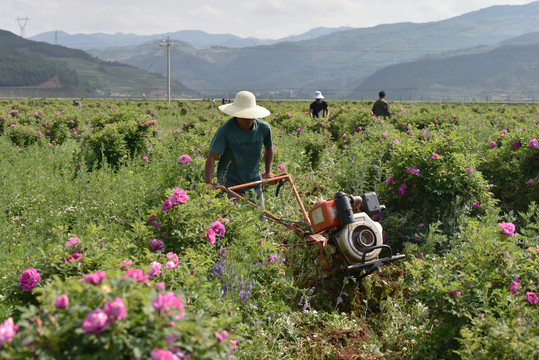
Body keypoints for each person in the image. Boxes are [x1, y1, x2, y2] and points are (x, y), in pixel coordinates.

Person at [205, 91, 276, 206]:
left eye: (251, 115)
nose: (249, 119)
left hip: (254, 183)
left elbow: (269, 147)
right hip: (230, 185)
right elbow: (212, 156)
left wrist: (269, 172)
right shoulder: (225, 131)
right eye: (245, 116)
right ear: (236, 114)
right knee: (232, 221)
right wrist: (208, 183)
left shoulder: (263, 128)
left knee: (260, 220)